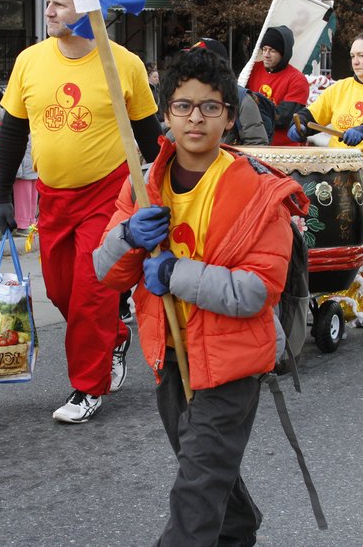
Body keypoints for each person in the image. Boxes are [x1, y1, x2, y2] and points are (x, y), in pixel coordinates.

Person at [92, 47, 307, 546]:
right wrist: (128, 237)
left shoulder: (259, 192)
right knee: (204, 469)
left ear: (230, 117)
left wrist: (176, 273)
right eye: (183, 106)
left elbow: (256, 290)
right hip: (170, 353)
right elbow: (106, 273)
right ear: (165, 114)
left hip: (231, 363)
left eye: (210, 106)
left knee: (194, 492)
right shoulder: (143, 185)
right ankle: (237, 532)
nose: (196, 118)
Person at [0, 0, 162, 423]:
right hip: (53, 200)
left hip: (108, 196)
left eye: (60, 3)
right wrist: (1, 192)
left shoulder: (124, 64)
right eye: (48, 1)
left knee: (91, 292)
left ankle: (87, 389)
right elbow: (11, 130)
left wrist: (168, 190)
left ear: (89, 10)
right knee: (61, 291)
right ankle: (114, 337)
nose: (49, 10)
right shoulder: (30, 61)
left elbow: (150, 138)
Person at [288, 30, 363, 327]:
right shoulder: (341, 88)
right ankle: (340, 300)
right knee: (342, 238)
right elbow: (313, 114)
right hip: (341, 176)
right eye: (353, 55)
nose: (355, 61)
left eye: (362, 55)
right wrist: (302, 124)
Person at [190, 37, 269, 146]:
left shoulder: (242, 100)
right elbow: (172, 138)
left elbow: (257, 144)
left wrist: (230, 160)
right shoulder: (188, 96)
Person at [246, 25, 309, 146]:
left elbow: (283, 118)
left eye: (272, 50)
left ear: (284, 53)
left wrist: (252, 108)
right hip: (253, 144)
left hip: (283, 148)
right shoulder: (251, 70)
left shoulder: (297, 79)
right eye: (264, 49)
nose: (266, 55)